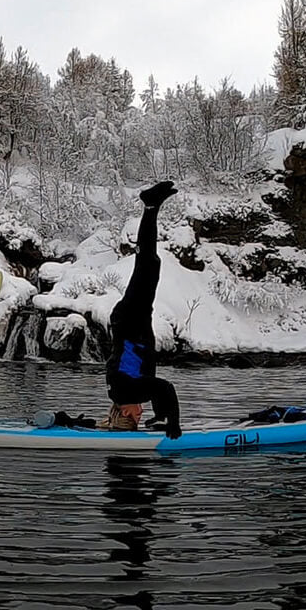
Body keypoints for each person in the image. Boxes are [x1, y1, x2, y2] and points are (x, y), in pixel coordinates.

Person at [101, 180, 182, 439]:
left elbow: (165, 389)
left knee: (147, 263)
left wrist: (174, 426)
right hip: (128, 323)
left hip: (131, 322)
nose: (140, 413)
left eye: (137, 416)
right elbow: (156, 390)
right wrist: (161, 415)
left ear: (125, 413)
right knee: (150, 263)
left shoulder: (129, 391)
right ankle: (151, 206)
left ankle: (150, 205)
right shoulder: (120, 392)